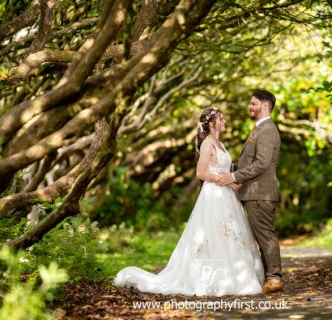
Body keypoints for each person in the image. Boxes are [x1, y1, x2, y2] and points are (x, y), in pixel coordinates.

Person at [113, 108, 264, 296]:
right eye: (221, 118)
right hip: (214, 195)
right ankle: (212, 278)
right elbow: (200, 173)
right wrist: (223, 180)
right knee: (214, 234)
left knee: (230, 234)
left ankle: (233, 274)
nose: (225, 121)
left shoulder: (221, 143)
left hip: (227, 195)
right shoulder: (208, 144)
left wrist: (231, 180)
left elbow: (223, 169)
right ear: (211, 124)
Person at [217, 90, 283, 293]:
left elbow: (262, 163)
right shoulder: (259, 129)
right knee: (262, 235)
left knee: (265, 235)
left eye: (253, 103)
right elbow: (250, 161)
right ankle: (269, 277)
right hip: (255, 193)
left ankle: (275, 278)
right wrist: (226, 168)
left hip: (260, 194)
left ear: (264, 105)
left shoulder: (268, 130)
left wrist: (234, 177)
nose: (249, 106)